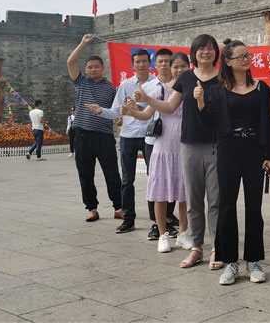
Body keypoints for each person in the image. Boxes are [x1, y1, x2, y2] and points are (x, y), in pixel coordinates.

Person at [136, 34, 222, 270]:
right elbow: (169, 106)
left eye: (210, 48)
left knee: (215, 200)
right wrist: (147, 100)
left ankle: (217, 248)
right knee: (193, 200)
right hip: (189, 144)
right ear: (194, 53)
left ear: (216, 52)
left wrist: (205, 103)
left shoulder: (223, 77)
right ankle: (196, 247)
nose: (206, 52)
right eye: (201, 48)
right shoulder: (186, 78)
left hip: (216, 144)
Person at [198, 40, 270, 285]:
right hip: (229, 150)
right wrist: (200, 102)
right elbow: (208, 124)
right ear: (228, 62)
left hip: (254, 149)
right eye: (240, 56)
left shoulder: (261, 88)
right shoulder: (217, 91)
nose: (246, 59)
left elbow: (268, 123)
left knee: (254, 208)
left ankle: (253, 261)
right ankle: (229, 261)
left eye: (247, 55)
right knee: (226, 207)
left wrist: (269, 156)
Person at [124, 52, 190, 253]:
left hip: (185, 145)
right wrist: (131, 111)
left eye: (183, 67)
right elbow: (146, 115)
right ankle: (162, 235)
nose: (179, 70)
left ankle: (183, 234)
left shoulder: (193, 90)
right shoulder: (161, 90)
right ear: (169, 69)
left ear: (189, 68)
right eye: (175, 67)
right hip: (162, 146)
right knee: (160, 192)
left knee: (185, 194)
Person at [88, 48, 155, 234]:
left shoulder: (156, 84)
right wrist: (101, 110)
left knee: (154, 178)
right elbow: (116, 110)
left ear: (149, 63)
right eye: (137, 62)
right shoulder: (125, 85)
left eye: (144, 61)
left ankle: (156, 220)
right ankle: (129, 218)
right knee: (127, 180)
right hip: (129, 136)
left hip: (150, 136)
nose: (141, 64)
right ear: (132, 65)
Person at [66, 33, 123, 223]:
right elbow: (70, 62)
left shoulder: (112, 87)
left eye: (96, 66)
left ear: (103, 68)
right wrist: (83, 43)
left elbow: (117, 109)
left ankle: (118, 207)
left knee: (112, 173)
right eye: (89, 67)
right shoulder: (81, 83)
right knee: (85, 174)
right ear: (86, 70)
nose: (93, 69)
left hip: (105, 136)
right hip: (82, 135)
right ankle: (91, 208)